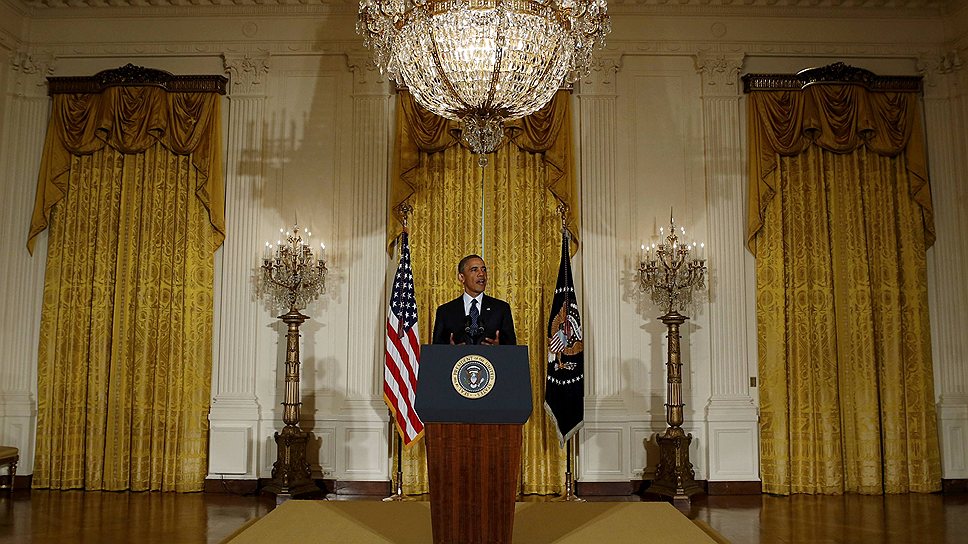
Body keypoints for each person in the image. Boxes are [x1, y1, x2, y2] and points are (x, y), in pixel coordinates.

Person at [431, 254, 517, 345]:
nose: (481, 274)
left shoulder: (501, 309)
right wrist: (450, 350)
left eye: (483, 269)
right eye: (474, 270)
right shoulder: (445, 311)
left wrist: (499, 348)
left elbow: (512, 348)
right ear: (462, 277)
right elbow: (436, 349)